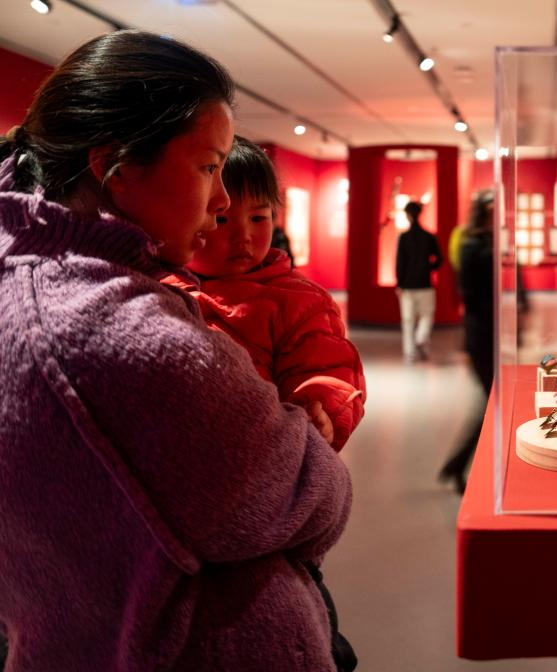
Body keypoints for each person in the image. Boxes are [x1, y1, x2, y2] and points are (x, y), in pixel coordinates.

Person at [0, 31, 351, 672]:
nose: (222, 202)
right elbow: (312, 495)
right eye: (208, 167)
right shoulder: (118, 332)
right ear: (116, 168)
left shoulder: (33, 278)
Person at [165, 136, 366, 452]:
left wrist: (318, 407)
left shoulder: (298, 301)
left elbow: (325, 368)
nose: (243, 235)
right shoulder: (156, 284)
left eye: (258, 217)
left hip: (258, 452)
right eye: (221, 218)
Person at [438, 191, 495, 493]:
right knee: (493, 401)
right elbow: (471, 295)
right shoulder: (472, 245)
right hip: (481, 334)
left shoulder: (490, 241)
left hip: (492, 333)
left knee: (493, 401)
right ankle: (458, 463)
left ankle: (458, 464)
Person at [395, 200, 442, 362]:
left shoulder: (403, 237)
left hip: (407, 285)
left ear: (408, 215)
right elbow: (439, 259)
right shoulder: (429, 237)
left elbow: (400, 263)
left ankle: (410, 351)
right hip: (425, 283)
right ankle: (421, 337)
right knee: (426, 315)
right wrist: (429, 267)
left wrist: (400, 283)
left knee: (407, 320)